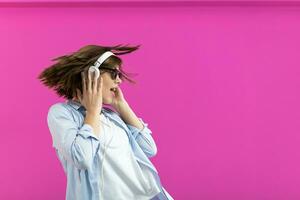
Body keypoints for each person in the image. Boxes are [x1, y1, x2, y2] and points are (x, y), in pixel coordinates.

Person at [38, 44, 174, 200]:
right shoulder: (62, 113)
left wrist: (121, 105)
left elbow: (149, 148)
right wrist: (93, 111)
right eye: (114, 73)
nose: (119, 81)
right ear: (92, 74)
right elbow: (82, 159)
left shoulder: (111, 116)